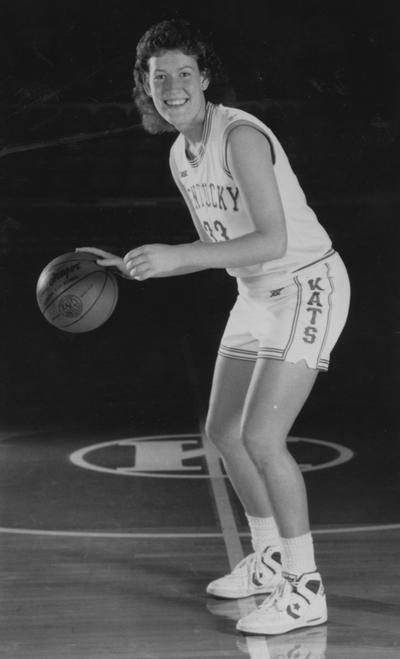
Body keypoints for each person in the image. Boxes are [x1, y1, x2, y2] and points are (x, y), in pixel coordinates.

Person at [78, 19, 350, 635]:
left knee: (261, 437)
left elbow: (273, 238)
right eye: (159, 77)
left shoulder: (240, 136)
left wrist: (178, 256)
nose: (172, 85)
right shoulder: (182, 153)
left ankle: (305, 588)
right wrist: (142, 266)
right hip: (255, 290)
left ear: (203, 79)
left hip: (307, 282)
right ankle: (269, 556)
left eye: (182, 73)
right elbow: (219, 241)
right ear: (146, 89)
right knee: (223, 431)